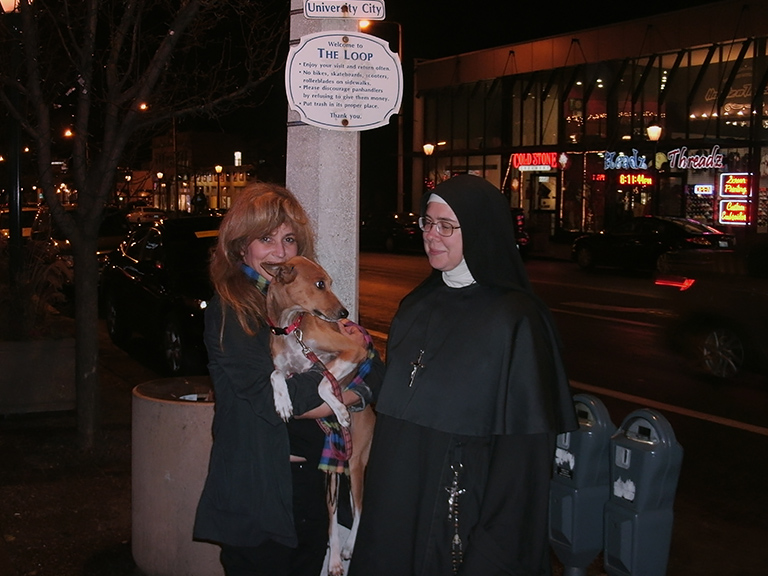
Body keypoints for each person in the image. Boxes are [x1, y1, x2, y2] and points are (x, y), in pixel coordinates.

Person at [348, 174, 578, 576]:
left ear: (481, 231)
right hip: (399, 504)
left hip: (459, 509)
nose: (432, 236)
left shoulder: (516, 320)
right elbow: (406, 401)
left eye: (447, 226)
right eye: (427, 223)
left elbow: (523, 457)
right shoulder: (416, 304)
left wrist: (493, 550)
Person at [193, 182, 382, 576]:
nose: (280, 251)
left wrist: (352, 389)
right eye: (266, 238)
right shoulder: (232, 309)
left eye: (289, 239)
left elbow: (374, 365)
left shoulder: (299, 307)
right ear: (240, 246)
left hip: (309, 485)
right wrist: (344, 392)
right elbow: (273, 401)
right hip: (258, 491)